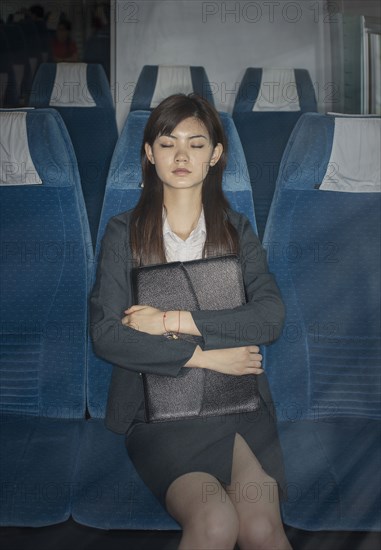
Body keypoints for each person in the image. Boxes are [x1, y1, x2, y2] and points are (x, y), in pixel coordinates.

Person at [90, 93, 292, 549]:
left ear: (215, 155)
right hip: (156, 409)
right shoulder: (123, 233)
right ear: (149, 153)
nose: (181, 155)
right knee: (216, 523)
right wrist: (206, 358)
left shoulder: (238, 231)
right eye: (167, 142)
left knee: (260, 528)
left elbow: (269, 319)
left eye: (196, 144)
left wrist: (169, 319)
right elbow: (107, 335)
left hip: (237, 407)